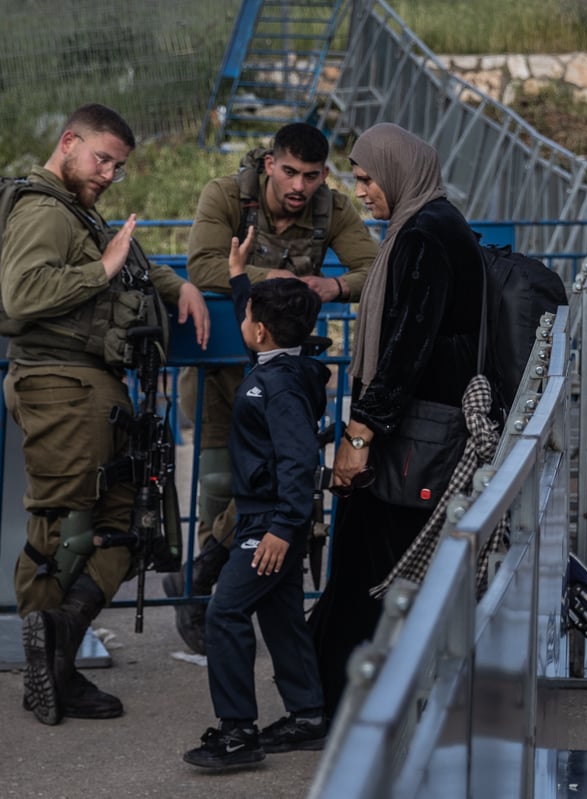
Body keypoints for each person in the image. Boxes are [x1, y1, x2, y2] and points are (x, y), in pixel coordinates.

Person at [0, 103, 210, 726]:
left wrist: (179, 288)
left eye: (118, 166)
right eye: (102, 159)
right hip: (61, 386)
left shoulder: (74, 210)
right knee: (57, 527)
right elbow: (25, 293)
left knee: (124, 525)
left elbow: (127, 265)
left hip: (92, 389)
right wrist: (103, 267)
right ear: (69, 142)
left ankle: (57, 648)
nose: (110, 174)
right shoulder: (41, 209)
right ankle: (53, 663)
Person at [167, 122, 379, 655]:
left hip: (285, 375)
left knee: (280, 483)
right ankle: (206, 593)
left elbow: (374, 267)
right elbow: (205, 264)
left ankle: (202, 580)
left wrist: (334, 286)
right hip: (223, 368)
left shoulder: (332, 208)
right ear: (269, 165)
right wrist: (279, 281)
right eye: (289, 172)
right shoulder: (225, 195)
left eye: (311, 176)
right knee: (219, 481)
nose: (299, 187)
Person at [309, 122, 485, 718]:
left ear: (398, 172)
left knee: (367, 577)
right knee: (373, 578)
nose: (361, 192)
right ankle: (341, 703)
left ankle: (341, 715)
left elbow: (407, 348)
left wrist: (359, 435)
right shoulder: (438, 224)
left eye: (366, 178)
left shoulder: (423, 239)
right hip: (421, 435)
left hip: (406, 443)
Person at [183, 229, 330, 770]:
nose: (243, 319)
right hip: (269, 516)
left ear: (261, 332)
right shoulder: (279, 359)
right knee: (283, 616)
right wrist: (238, 272)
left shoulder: (281, 387)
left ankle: (238, 732)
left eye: (248, 316)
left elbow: (299, 461)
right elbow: (256, 310)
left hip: (269, 521)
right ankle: (308, 715)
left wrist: (283, 528)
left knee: (225, 613)